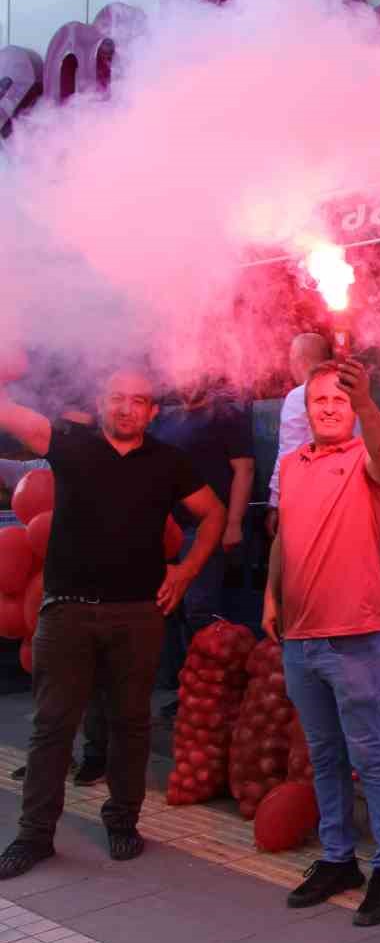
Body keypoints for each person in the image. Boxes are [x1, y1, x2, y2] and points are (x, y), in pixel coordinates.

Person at [0, 368, 224, 878]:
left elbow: (211, 513)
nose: (127, 408)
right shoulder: (71, 443)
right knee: (51, 727)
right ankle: (34, 836)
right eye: (117, 398)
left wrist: (186, 572)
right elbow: (12, 415)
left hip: (137, 613)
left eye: (138, 400)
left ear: (151, 411)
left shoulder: (169, 463)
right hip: (66, 610)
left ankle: (123, 822)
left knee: (130, 725)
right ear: (102, 402)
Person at [262, 359, 380, 926]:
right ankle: (337, 858)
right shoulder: (291, 463)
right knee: (323, 755)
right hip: (300, 639)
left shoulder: (366, 460)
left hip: (354, 636)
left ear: (353, 409)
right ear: (306, 409)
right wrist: (270, 596)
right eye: (319, 400)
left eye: (340, 400)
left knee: (372, 755)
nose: (329, 407)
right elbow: (284, 539)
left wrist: (370, 404)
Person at [0, 406, 110, 787]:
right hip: (45, 591)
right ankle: (50, 758)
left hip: (91, 588)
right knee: (47, 676)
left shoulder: (104, 467)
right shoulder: (40, 466)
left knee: (93, 676)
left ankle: (96, 755)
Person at [149, 376, 254, 703]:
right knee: (170, 609)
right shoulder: (164, 419)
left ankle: (212, 691)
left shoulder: (226, 415)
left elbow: (245, 470)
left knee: (199, 608)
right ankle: (184, 691)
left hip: (206, 528)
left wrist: (234, 522)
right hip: (166, 532)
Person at [265, 333, 339, 538]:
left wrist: (274, 501)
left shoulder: (300, 396)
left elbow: (289, 453)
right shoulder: (348, 394)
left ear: (301, 361)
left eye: (291, 360)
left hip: (310, 499)